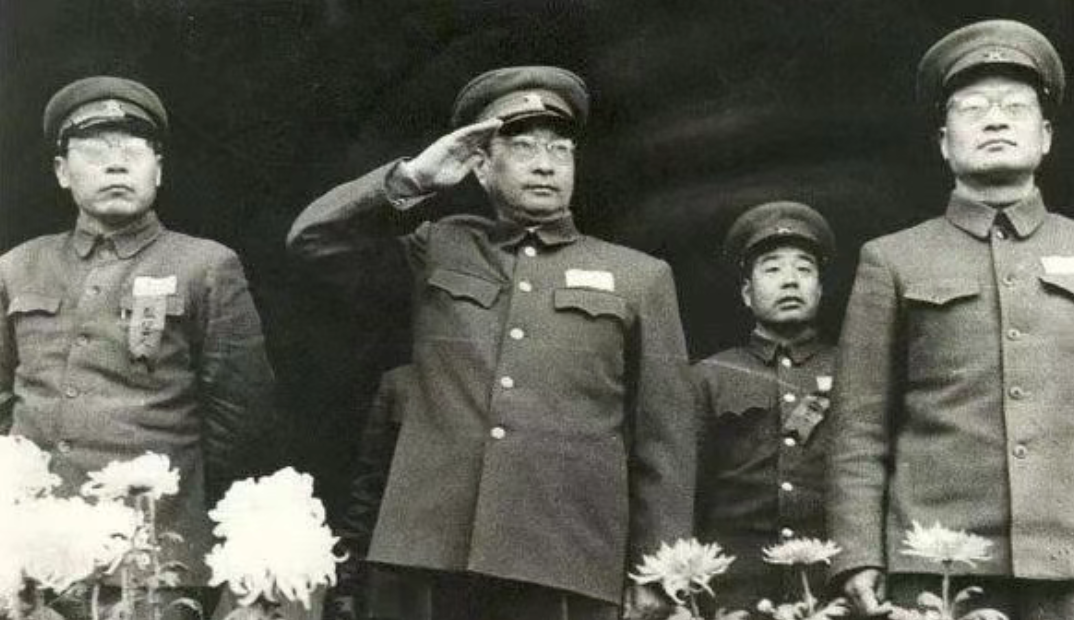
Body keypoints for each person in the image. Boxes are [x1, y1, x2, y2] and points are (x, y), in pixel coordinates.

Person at [287, 66, 695, 620]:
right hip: (429, 553)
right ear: (481, 166)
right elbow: (312, 241)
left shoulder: (639, 276)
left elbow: (665, 439)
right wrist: (412, 179)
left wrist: (658, 569)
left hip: (565, 558)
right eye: (523, 147)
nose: (546, 164)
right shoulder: (440, 245)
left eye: (560, 149)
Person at [0, 76, 276, 612]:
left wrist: (176, 499)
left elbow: (242, 418)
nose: (116, 165)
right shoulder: (18, 266)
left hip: (153, 556)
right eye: (95, 151)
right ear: (62, 171)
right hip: (30, 552)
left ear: (159, 170)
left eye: (133, 150)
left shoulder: (204, 266)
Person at [828, 19, 1074, 619]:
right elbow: (859, 425)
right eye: (973, 109)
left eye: (1015, 107)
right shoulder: (892, 259)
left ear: (1045, 137)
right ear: (944, 142)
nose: (995, 121)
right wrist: (857, 553)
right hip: (935, 564)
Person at [694, 201, 837, 610]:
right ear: (746, 293)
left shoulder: (855, 371)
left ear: (820, 289)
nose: (790, 281)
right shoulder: (708, 377)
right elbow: (687, 490)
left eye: (804, 270)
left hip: (830, 587)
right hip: (733, 588)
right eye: (772, 270)